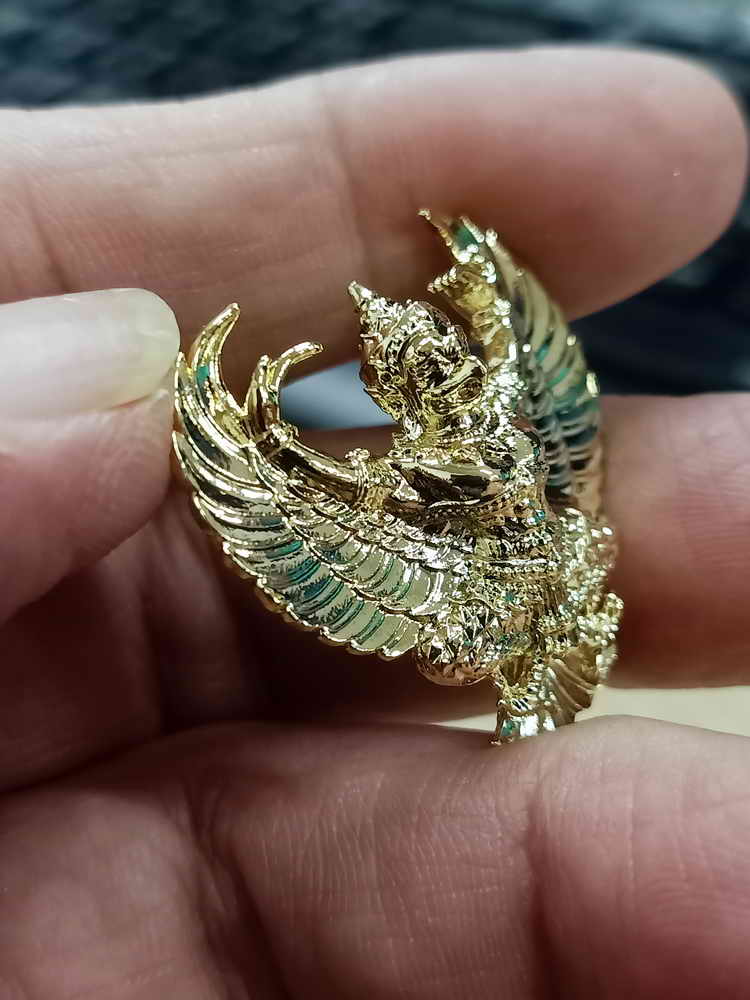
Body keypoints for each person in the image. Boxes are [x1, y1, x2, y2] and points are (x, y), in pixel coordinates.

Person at [0, 45, 747, 997]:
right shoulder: (405, 470)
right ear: (393, 386)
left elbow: (542, 388)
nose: (437, 361)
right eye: (415, 361)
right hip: (486, 605)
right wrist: (274, 441)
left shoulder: (499, 400)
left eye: (439, 347)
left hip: (562, 576)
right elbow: (313, 511)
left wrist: (485, 301)